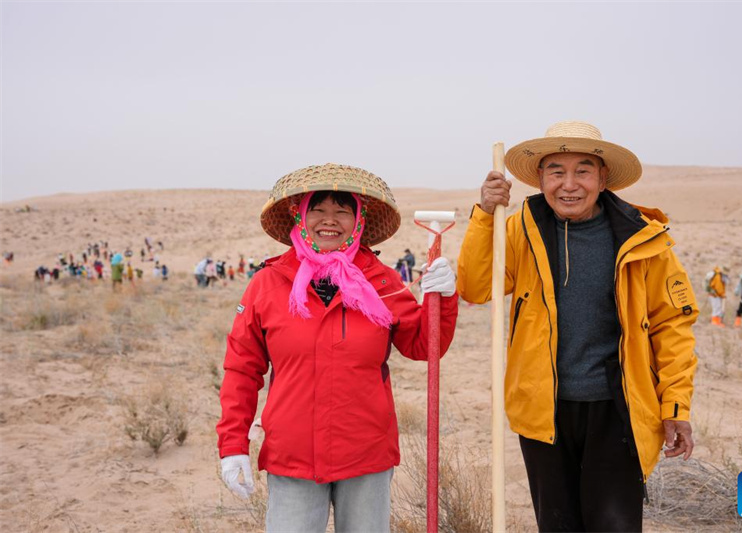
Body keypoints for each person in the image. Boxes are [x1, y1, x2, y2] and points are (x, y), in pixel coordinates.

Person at [457, 122, 698, 532]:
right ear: (540, 178)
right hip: (543, 409)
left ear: (603, 178)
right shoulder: (518, 229)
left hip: (618, 408)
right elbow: (476, 287)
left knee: (613, 525)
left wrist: (675, 404)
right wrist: (484, 215)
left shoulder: (644, 239)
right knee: (558, 525)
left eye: (583, 171)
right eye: (556, 171)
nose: (569, 185)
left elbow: (672, 326)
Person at [216, 163, 458, 533]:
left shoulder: (381, 280)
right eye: (318, 209)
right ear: (300, 216)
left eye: (343, 210)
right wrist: (233, 444)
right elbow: (242, 370)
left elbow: (424, 345)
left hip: (366, 453)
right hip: (291, 454)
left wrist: (443, 299)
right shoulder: (267, 283)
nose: (330, 220)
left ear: (358, 220)